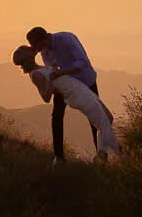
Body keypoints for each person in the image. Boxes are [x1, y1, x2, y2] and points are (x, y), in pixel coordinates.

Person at [17, 29, 120, 161]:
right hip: (68, 87)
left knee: (98, 119)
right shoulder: (44, 52)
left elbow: (83, 62)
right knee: (57, 118)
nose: (34, 49)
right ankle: (59, 157)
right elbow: (51, 75)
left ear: (42, 40)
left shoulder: (66, 39)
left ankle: (101, 154)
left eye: (34, 45)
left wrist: (61, 73)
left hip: (85, 81)